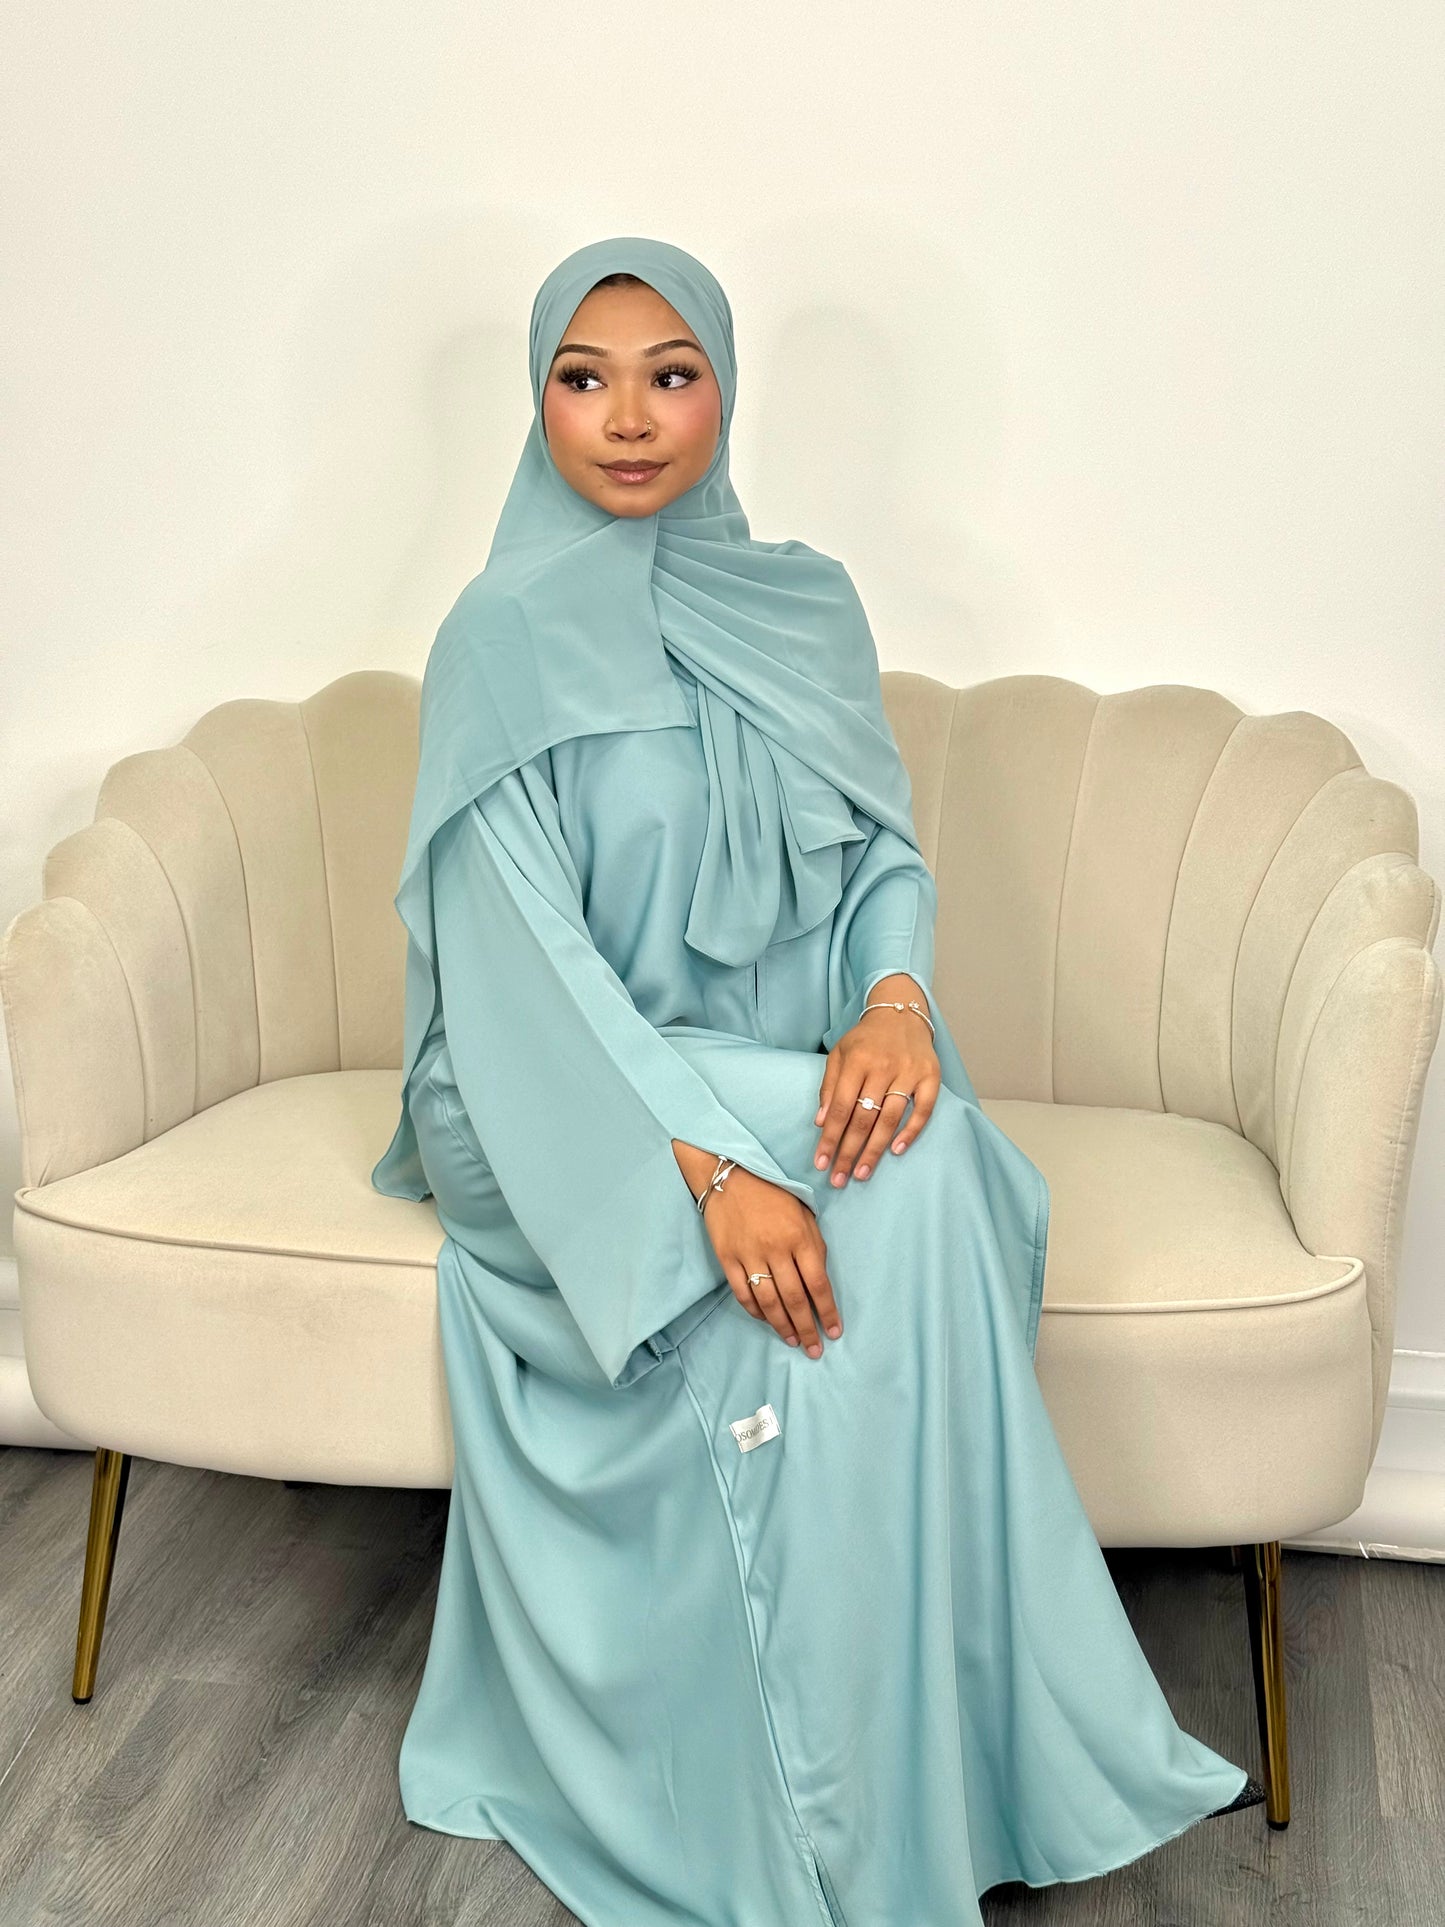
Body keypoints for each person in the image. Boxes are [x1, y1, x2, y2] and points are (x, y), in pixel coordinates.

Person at [371, 234, 1262, 1927]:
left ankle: (922, 1753)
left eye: (671, 375)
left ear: (723, 391)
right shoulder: (496, 633)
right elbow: (518, 966)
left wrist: (896, 1001)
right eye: (582, 379)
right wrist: (705, 1166)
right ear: (536, 405)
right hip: (541, 1095)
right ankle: (836, 1801)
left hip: (745, 1062)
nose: (627, 417)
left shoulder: (802, 605)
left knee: (929, 1161)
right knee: (912, 1179)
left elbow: (874, 857)